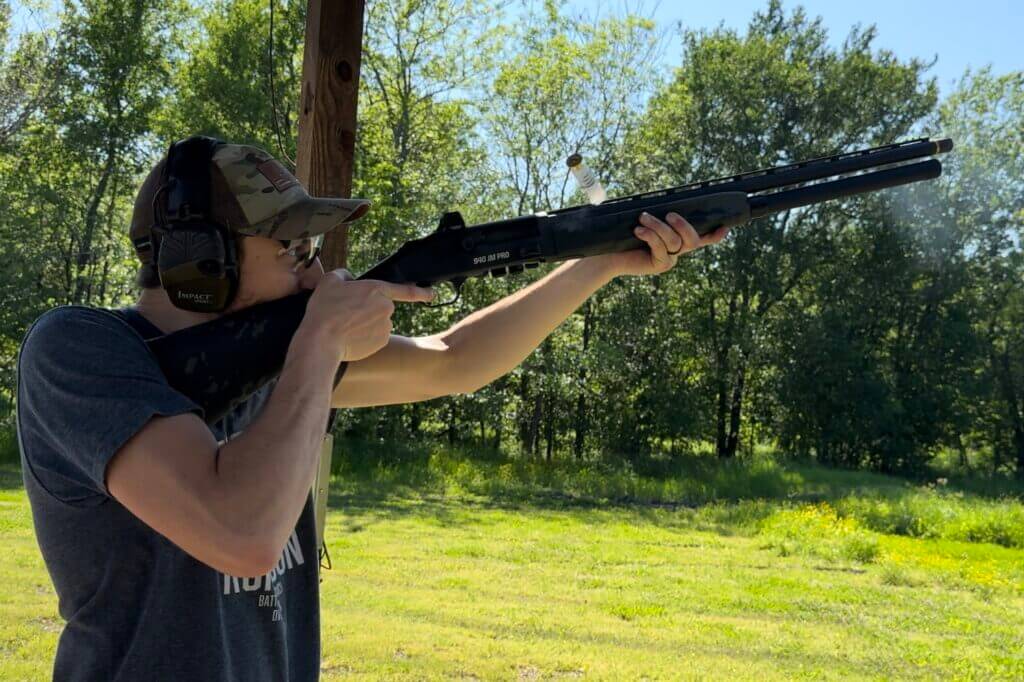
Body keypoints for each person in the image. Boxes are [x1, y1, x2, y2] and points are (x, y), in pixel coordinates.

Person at [16, 136, 729, 681]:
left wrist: (597, 262)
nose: (320, 271)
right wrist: (322, 340)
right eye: (292, 249)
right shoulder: (80, 352)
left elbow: (456, 360)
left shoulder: (286, 362)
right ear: (198, 263)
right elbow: (242, 532)